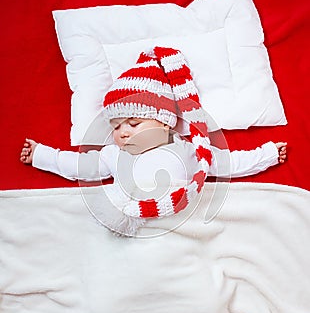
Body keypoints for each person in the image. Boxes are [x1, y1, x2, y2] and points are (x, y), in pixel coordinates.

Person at [20, 47, 287, 233]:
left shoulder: (188, 149)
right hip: (131, 222)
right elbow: (80, 166)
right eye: (116, 126)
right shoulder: (114, 155)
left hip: (178, 221)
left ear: (163, 122)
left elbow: (228, 163)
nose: (123, 132)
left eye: (134, 123)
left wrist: (267, 154)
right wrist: (42, 155)